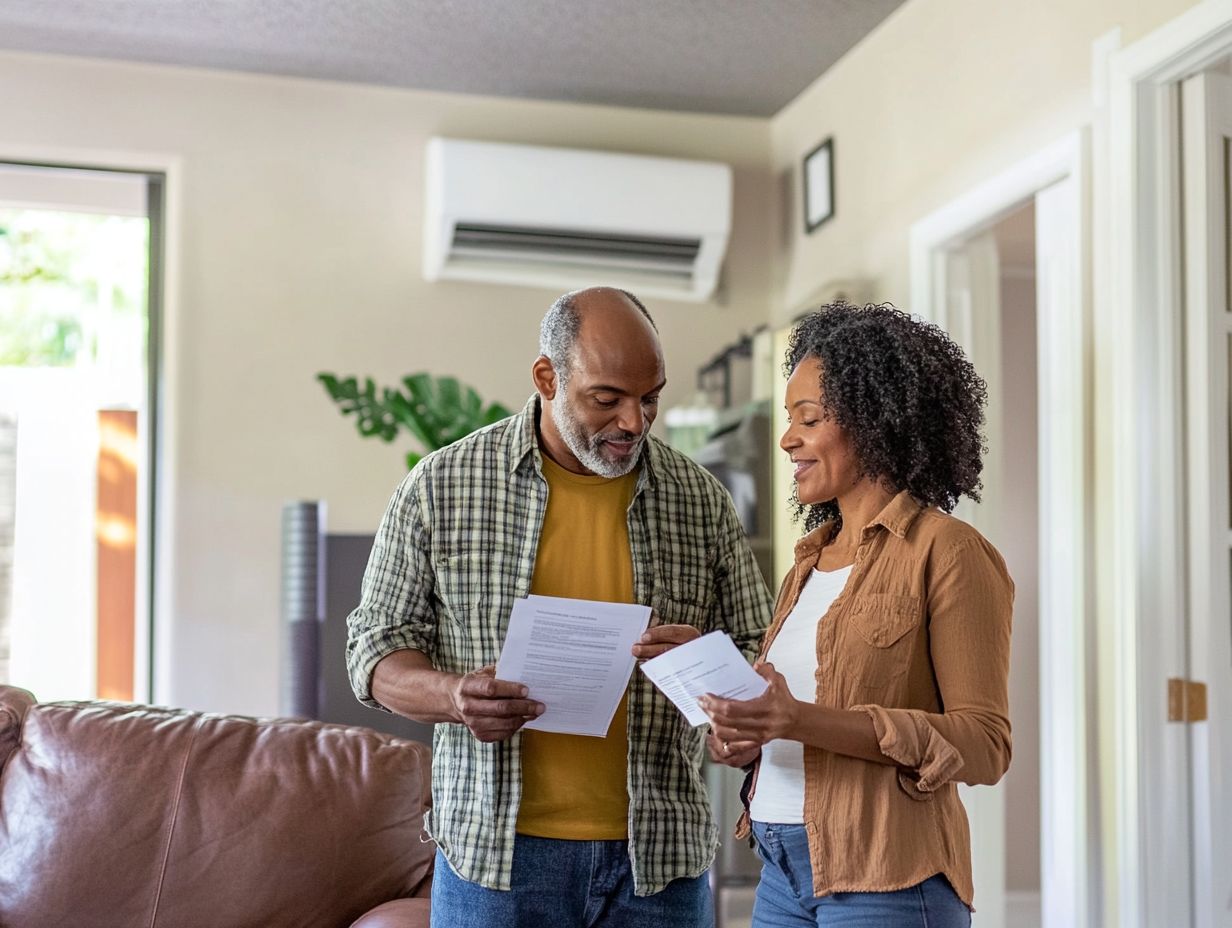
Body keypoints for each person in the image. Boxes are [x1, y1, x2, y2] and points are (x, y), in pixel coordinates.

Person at [346, 286, 772, 928]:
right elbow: (374, 651)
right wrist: (454, 696)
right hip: (496, 863)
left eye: (650, 397)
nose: (634, 421)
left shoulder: (700, 500)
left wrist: (714, 675)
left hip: (658, 865)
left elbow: (760, 647)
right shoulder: (441, 487)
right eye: (607, 399)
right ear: (547, 377)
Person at [700, 302, 1013, 928]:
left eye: (808, 419)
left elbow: (984, 745)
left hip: (887, 881)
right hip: (781, 873)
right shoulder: (806, 565)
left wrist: (800, 719)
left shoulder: (947, 551)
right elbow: (796, 720)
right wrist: (748, 734)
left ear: (872, 422)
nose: (788, 439)